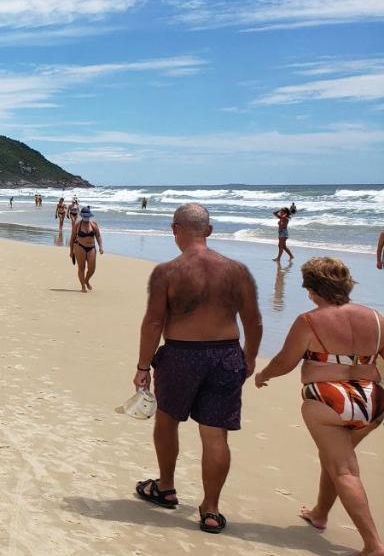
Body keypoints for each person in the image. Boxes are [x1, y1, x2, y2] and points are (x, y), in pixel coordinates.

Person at [133, 203, 262, 535]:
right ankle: (211, 509)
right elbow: (253, 320)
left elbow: (153, 322)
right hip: (226, 355)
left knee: (167, 421)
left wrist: (143, 366)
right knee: (215, 433)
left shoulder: (167, 272)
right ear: (210, 230)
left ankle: (165, 487)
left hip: (180, 355)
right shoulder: (236, 270)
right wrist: (249, 357)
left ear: (175, 229)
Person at [255, 258, 383, 555]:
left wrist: (264, 375)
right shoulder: (377, 318)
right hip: (372, 400)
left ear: (313, 289)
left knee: (345, 470)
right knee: (338, 456)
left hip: (328, 399)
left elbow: (285, 362)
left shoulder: (309, 320)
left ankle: (374, 545)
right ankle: (320, 513)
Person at [69, 206, 104, 292]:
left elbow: (98, 236)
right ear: (81, 216)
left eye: (87, 216)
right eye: (84, 216)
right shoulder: (77, 224)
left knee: (92, 268)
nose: (85, 217)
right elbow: (72, 238)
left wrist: (100, 246)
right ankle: (83, 287)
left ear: (89, 216)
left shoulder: (93, 224)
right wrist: (71, 251)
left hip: (91, 247)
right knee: (81, 267)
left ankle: (86, 280)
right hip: (80, 246)